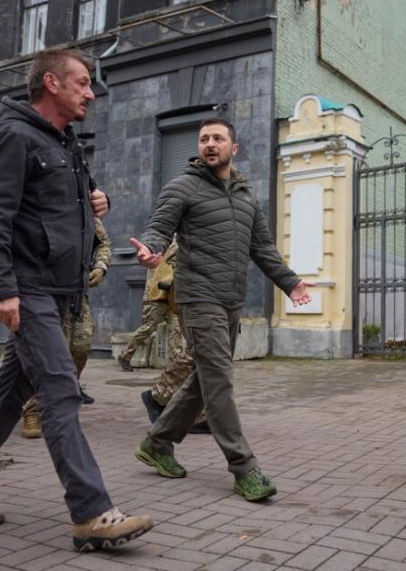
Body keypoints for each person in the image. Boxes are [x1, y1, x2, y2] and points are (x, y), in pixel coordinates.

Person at [0, 48, 152, 553]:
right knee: (60, 390)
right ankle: (92, 512)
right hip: (27, 288)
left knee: (11, 395)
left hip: (58, 291)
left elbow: (58, 206)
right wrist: (1, 289)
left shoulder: (64, 142)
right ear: (52, 83)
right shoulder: (12, 136)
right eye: (82, 83)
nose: (91, 92)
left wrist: (96, 198)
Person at [130, 118, 313, 502]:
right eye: (203, 139)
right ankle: (244, 467)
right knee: (220, 382)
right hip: (198, 299)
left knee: (203, 379)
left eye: (218, 138)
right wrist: (151, 249)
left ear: (234, 147)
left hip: (231, 300)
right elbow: (159, 227)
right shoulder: (182, 187)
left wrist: (290, 282)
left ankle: (157, 443)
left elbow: (262, 248)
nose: (210, 144)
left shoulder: (246, 197)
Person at [20, 217, 110, 439]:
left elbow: (103, 242)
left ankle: (57, 402)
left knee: (80, 345)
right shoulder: (40, 203)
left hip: (76, 293)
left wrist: (100, 266)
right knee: (45, 353)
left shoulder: (83, 208)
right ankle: (33, 410)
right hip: (42, 289)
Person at [132, 240, 209, 434]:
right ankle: (158, 395)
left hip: (213, 295)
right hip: (192, 298)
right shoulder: (183, 234)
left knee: (206, 359)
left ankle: (198, 415)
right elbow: (171, 262)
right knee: (197, 353)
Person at [117, 240, 180, 372]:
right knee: (148, 328)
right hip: (156, 294)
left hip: (172, 294)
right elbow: (168, 261)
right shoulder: (163, 241)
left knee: (176, 329)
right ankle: (125, 355)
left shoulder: (178, 240)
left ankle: (176, 365)